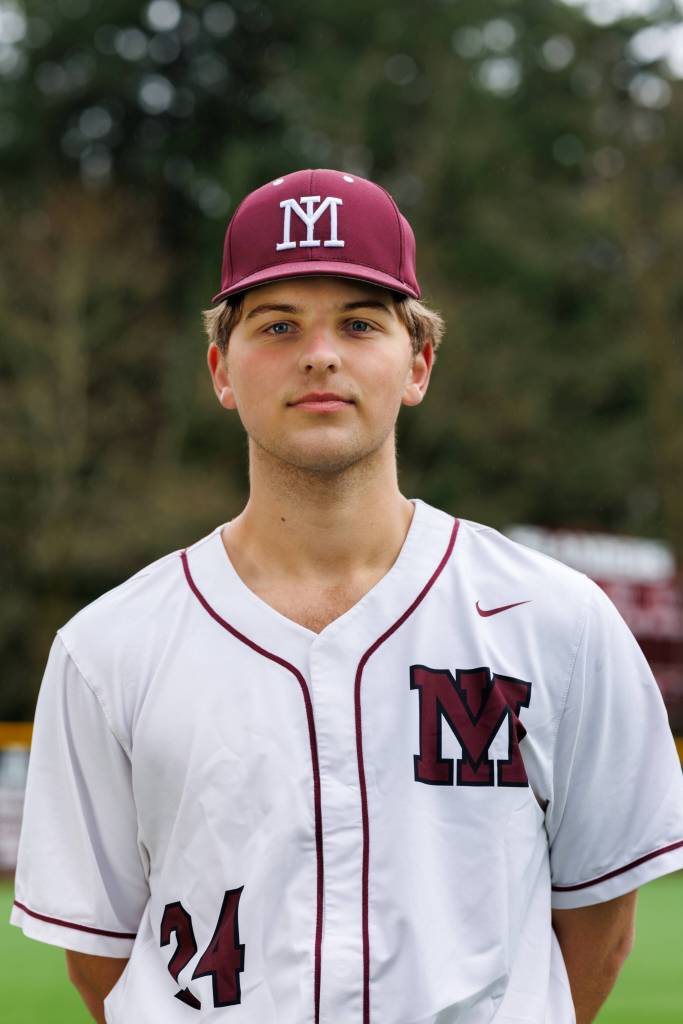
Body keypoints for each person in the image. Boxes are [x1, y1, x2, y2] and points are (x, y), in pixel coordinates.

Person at [10, 168, 683, 1024]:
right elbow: (98, 960)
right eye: (277, 324)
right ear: (221, 369)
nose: (319, 353)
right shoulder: (108, 647)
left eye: (359, 323)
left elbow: (598, 922)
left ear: (418, 364)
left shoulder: (557, 619)